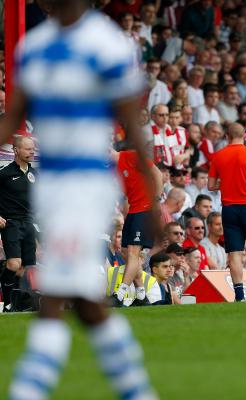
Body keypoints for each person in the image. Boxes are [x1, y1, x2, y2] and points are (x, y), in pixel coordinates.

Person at [2, 1, 157, 399]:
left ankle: (26, 390)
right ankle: (136, 389)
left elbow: (131, 124)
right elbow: (13, 115)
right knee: (85, 304)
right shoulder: (33, 46)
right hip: (50, 187)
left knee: (55, 296)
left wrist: (153, 200)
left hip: (86, 184)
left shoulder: (108, 44)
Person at [208, 122, 246, 301]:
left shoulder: (218, 156)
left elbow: (211, 185)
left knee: (234, 252)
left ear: (227, 136)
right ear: (244, 136)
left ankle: (239, 295)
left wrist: (227, 182)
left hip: (229, 209)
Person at [113, 145, 162, 306]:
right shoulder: (112, 169)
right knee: (127, 252)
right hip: (134, 211)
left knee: (134, 252)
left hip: (145, 210)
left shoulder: (131, 156)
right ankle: (141, 296)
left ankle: (119, 294)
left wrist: (156, 200)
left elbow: (157, 173)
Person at [0, 136, 37, 312]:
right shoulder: (5, 173)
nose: (32, 152)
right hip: (11, 223)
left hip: (29, 223)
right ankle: (6, 301)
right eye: (28, 149)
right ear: (16, 150)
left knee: (24, 266)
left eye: (33, 149)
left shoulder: (35, 174)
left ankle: (15, 304)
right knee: (13, 264)